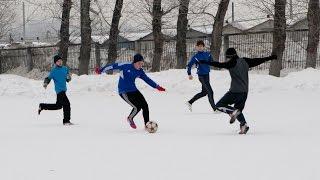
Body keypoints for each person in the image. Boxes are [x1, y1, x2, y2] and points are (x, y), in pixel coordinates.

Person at [199, 48, 277, 134]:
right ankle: (244, 126)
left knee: (219, 105)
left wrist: (205, 62)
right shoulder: (245, 61)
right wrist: (270, 57)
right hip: (244, 92)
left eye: (227, 58)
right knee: (238, 111)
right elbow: (258, 60)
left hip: (234, 91)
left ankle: (232, 112)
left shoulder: (231, 63)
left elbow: (219, 65)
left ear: (229, 57)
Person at [96, 53, 166, 130]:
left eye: (142, 63)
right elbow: (112, 66)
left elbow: (147, 80)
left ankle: (147, 125)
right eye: (139, 63)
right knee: (137, 107)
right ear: (134, 62)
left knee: (145, 106)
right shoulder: (125, 65)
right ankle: (130, 118)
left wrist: (157, 86)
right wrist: (101, 70)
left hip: (134, 90)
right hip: (124, 91)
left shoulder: (140, 71)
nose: (140, 65)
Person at [38, 55, 73, 125]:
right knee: (67, 104)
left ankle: (42, 106)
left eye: (60, 61)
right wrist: (45, 83)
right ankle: (66, 121)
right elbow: (48, 78)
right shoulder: (54, 71)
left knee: (58, 106)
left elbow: (67, 79)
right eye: (58, 61)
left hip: (64, 90)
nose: (60, 62)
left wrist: (69, 77)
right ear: (55, 63)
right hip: (59, 91)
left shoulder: (65, 69)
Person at [186, 40, 216, 112]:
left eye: (201, 46)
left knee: (204, 92)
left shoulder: (208, 54)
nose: (200, 48)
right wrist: (189, 74)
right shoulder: (195, 57)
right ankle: (215, 109)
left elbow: (212, 62)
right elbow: (189, 65)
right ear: (196, 47)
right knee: (210, 92)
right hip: (201, 76)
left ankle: (190, 102)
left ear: (203, 47)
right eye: (198, 46)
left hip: (207, 75)